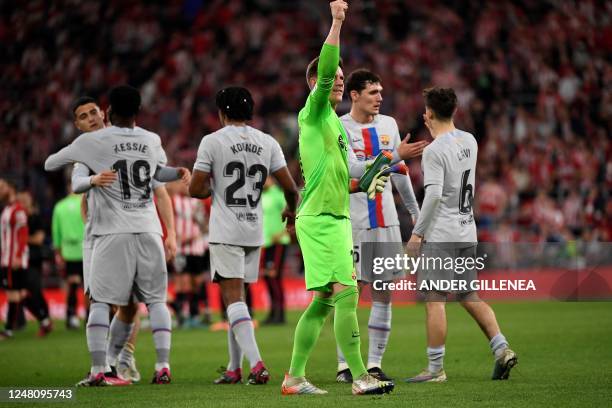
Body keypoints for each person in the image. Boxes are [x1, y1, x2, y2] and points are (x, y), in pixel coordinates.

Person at [281, 1, 426, 396]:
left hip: (337, 216)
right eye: (336, 77)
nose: (340, 81)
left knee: (326, 301)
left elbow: (346, 180)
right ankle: (361, 375)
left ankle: (294, 377)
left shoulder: (336, 129)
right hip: (322, 220)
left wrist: (379, 174)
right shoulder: (313, 112)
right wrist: (337, 22)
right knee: (347, 292)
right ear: (317, 83)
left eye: (344, 77)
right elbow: (327, 70)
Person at [45, 85, 190, 386]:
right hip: (147, 230)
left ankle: (102, 368)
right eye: (83, 116)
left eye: (93, 113)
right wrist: (177, 172)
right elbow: (158, 175)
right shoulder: (151, 139)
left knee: (101, 301)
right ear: (138, 111)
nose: (91, 119)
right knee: (155, 301)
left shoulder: (93, 143)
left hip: (111, 232)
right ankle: (161, 365)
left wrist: (90, 174)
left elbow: (53, 166)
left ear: (106, 112)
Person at [405, 87, 518, 383]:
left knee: (435, 298)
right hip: (467, 231)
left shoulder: (433, 151)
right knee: (468, 294)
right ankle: (502, 348)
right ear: (454, 111)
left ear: (428, 114)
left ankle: (435, 369)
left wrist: (417, 235)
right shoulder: (470, 140)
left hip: (442, 234)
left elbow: (433, 196)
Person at [190, 86, 298, 385]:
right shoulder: (268, 142)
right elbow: (291, 188)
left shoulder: (212, 142)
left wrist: (213, 186)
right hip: (254, 230)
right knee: (237, 301)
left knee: (232, 297)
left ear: (221, 112)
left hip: (226, 229)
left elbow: (196, 189)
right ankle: (233, 367)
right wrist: (291, 214)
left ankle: (257, 363)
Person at [335, 68, 421, 383]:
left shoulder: (389, 125)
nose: (380, 98)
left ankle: (373, 363)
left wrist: (414, 212)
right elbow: (347, 172)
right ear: (354, 95)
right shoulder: (340, 127)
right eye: (373, 92)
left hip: (386, 222)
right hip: (353, 221)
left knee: (384, 291)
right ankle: (345, 365)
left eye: (381, 92)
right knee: (349, 294)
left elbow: (400, 170)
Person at [1, 180, 53, 339]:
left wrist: (17, 256)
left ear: (10, 189)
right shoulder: (8, 209)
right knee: (19, 294)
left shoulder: (17, 210)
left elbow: (23, 235)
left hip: (16, 260)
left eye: (2, 187)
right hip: (9, 259)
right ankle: (43, 320)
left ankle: (9, 330)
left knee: (16, 294)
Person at [167, 180, 210, 328]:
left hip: (196, 247)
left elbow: (205, 225)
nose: (185, 188)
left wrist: (194, 236)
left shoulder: (197, 203)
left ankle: (195, 315)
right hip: (181, 249)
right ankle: (182, 316)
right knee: (182, 282)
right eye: (182, 185)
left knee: (197, 283)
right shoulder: (174, 200)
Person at [17, 190, 52, 337]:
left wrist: (21, 239)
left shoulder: (37, 218)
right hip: (19, 260)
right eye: (20, 199)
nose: (23, 202)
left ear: (31, 201)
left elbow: (38, 239)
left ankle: (45, 319)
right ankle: (44, 320)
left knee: (35, 292)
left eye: (25, 199)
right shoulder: (18, 219)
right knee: (20, 294)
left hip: (34, 260)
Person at [51, 184, 86, 329]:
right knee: (89, 287)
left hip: (69, 251)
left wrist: (58, 252)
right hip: (87, 249)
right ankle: (90, 317)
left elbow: (56, 232)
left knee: (72, 283)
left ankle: (71, 317)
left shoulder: (60, 206)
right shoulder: (86, 202)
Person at [261, 177, 290, 325]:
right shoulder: (261, 196)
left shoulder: (278, 194)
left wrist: (284, 231)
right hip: (265, 243)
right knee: (267, 278)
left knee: (274, 277)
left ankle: (280, 314)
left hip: (278, 242)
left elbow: (291, 211)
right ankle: (272, 313)